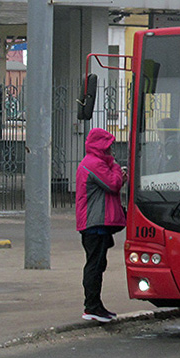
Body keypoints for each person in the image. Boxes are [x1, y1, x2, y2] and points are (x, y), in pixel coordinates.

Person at [76, 127, 127, 323]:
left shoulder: (96, 162)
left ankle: (96, 306)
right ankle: (92, 307)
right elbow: (113, 183)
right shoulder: (94, 164)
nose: (111, 152)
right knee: (95, 265)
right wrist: (116, 168)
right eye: (108, 147)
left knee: (98, 264)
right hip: (94, 223)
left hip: (97, 223)